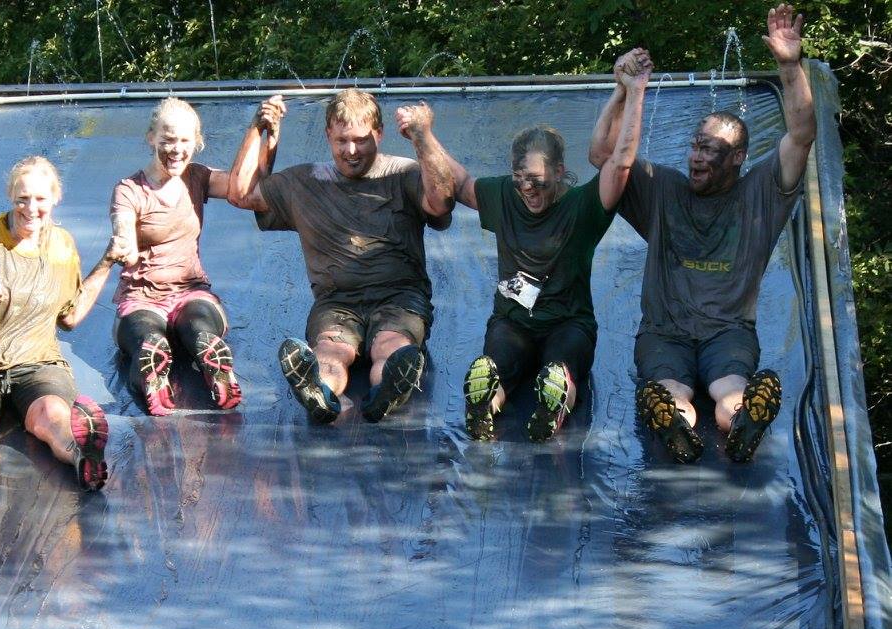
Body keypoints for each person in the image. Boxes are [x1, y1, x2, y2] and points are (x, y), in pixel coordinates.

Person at [589, 3, 815, 463]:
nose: (696, 156)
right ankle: (683, 422)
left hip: (728, 331)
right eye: (695, 146)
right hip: (664, 330)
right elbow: (603, 157)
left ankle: (736, 417)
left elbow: (801, 135)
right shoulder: (664, 188)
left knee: (729, 388)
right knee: (680, 390)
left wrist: (790, 67)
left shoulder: (761, 193)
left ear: (737, 158)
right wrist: (622, 92)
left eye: (709, 150)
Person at [439, 49, 652, 442]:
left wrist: (633, 92)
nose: (527, 188)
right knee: (498, 364)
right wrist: (424, 136)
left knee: (561, 369)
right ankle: (484, 404)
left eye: (537, 179)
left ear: (559, 171)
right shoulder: (505, 195)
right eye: (520, 177)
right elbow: (461, 182)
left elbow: (620, 162)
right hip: (512, 322)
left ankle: (553, 405)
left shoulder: (584, 206)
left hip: (568, 325)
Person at [228, 89, 455, 423]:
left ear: (379, 134)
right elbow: (241, 193)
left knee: (390, 344)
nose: (351, 150)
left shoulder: (403, 174)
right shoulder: (305, 182)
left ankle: (389, 386)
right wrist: (258, 131)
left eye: (361, 140)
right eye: (342, 141)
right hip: (337, 303)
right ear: (328, 136)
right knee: (330, 351)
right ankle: (319, 390)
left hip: (399, 298)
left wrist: (422, 136)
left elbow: (441, 201)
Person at [0, 156, 121, 500]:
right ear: (10, 196)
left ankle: (83, 452)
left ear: (55, 198)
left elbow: (70, 317)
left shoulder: (62, 246)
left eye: (40, 199)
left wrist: (107, 262)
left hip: (38, 363)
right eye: (22, 199)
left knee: (51, 414)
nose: (31, 208)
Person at [110, 98, 268, 415]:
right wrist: (124, 242)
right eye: (168, 140)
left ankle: (211, 357)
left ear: (196, 142)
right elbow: (122, 224)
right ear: (151, 138)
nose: (176, 150)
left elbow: (242, 187)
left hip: (190, 292)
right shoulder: (129, 190)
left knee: (198, 326)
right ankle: (152, 372)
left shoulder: (197, 176)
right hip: (141, 298)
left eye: (184, 141)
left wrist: (258, 130)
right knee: (146, 336)